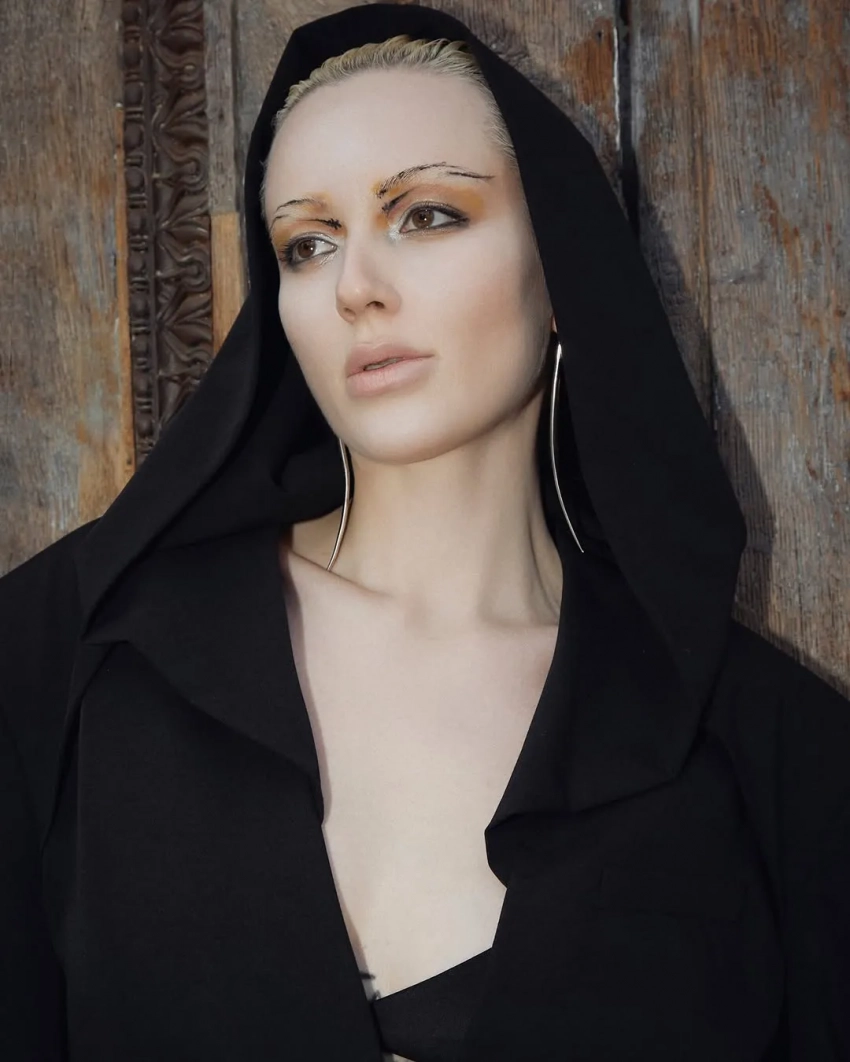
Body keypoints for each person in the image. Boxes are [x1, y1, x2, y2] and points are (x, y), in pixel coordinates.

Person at [1, 4, 848, 1060]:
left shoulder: (774, 758)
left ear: (562, 268)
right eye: (307, 244)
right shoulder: (67, 649)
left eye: (428, 215)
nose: (355, 287)